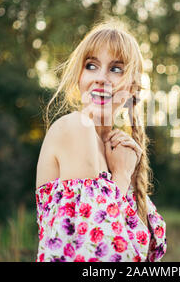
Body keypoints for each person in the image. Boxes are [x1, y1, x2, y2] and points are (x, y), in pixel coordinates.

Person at [35, 17, 167, 262]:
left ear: (133, 86)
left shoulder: (118, 150)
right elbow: (96, 247)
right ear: (79, 76)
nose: (100, 78)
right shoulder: (76, 127)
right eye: (91, 65)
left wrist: (124, 169)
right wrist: (122, 174)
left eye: (116, 69)